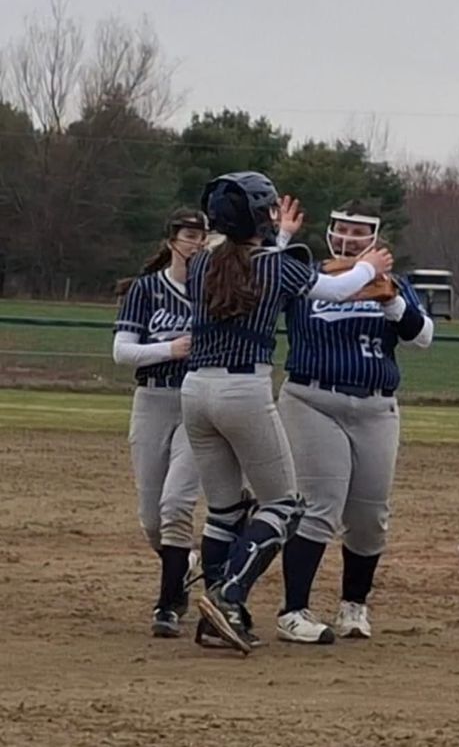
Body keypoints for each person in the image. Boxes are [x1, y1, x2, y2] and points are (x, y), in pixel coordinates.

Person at [180, 172, 393, 655]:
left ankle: (217, 618)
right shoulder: (277, 265)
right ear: (260, 217)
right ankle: (229, 596)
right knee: (284, 506)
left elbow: (248, 263)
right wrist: (369, 265)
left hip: (195, 390)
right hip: (242, 390)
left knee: (224, 511)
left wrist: (280, 236)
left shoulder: (201, 261)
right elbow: (332, 290)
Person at [274, 200, 434, 644]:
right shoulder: (308, 277)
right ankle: (294, 610)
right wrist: (282, 237)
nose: (348, 238)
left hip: (375, 405)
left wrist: (392, 302)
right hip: (313, 398)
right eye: (341, 228)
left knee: (369, 515)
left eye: (359, 232)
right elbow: (267, 280)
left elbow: (423, 337)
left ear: (375, 239)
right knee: (320, 505)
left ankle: (353, 605)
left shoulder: (393, 282)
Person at [113, 208, 207, 638]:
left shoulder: (214, 289)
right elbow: (122, 351)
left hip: (196, 401)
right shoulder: (148, 289)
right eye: (190, 235)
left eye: (203, 236)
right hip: (152, 398)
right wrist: (170, 349)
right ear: (172, 240)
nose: (197, 244)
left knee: (176, 505)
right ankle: (182, 562)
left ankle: (167, 605)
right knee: (152, 519)